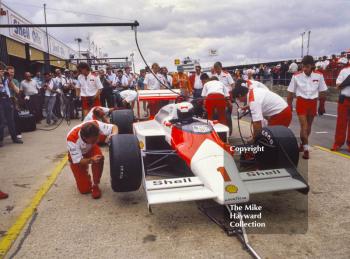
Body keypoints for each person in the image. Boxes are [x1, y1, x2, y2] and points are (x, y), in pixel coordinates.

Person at [287, 55, 328, 159]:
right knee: (304, 126)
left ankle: (302, 144)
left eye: (307, 66)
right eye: (303, 66)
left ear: (312, 66)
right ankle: (306, 149)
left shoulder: (319, 75)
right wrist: (289, 105)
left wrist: (322, 106)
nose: (304, 69)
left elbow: (322, 91)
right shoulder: (296, 76)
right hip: (301, 102)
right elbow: (290, 92)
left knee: (308, 127)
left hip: (313, 103)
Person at [67, 121, 118, 199]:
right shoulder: (72, 139)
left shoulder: (95, 125)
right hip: (78, 157)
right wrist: (91, 160)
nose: (97, 140)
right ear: (84, 138)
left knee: (99, 158)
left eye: (97, 137)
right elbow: (78, 161)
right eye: (94, 140)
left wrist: (114, 135)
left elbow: (114, 127)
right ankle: (85, 174)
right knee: (84, 190)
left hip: (91, 148)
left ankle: (95, 184)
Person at [0, 64, 23, 147]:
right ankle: (1, 140)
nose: (4, 73)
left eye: (3, 71)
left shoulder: (7, 79)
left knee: (11, 120)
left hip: (8, 100)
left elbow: (17, 91)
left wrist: (9, 79)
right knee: (1, 121)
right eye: (1, 71)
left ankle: (14, 138)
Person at [331, 59, 350, 152]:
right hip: (345, 99)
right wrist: (347, 82)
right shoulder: (344, 71)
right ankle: (338, 143)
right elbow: (337, 85)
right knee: (341, 122)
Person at [6, 66, 22, 140]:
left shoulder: (15, 80)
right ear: (7, 72)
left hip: (12, 99)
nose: (12, 73)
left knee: (15, 117)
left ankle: (18, 133)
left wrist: (10, 81)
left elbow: (17, 91)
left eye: (13, 72)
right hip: (3, 100)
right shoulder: (3, 79)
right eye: (10, 72)